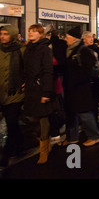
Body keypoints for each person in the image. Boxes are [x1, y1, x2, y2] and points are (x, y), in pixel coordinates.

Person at [62, 27, 99, 147]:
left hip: (80, 87)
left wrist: (79, 80)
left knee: (84, 113)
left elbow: (88, 70)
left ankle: (95, 136)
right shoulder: (71, 50)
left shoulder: (82, 51)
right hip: (72, 87)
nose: (65, 39)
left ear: (73, 39)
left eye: (67, 37)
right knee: (72, 112)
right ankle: (73, 137)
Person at [23, 24, 56, 164]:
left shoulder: (44, 49)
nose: (31, 33)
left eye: (34, 31)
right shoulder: (27, 49)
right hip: (30, 88)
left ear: (41, 34)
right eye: (30, 31)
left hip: (41, 88)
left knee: (43, 119)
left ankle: (44, 151)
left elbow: (48, 71)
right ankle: (45, 142)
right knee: (32, 118)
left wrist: (46, 92)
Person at [0, 25, 25, 166]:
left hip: (15, 93)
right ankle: (21, 143)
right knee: (13, 124)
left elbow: (27, 69)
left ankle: (6, 154)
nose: (2, 36)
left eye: (6, 34)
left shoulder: (20, 50)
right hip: (2, 94)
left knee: (11, 122)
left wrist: (26, 82)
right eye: (1, 33)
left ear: (13, 35)